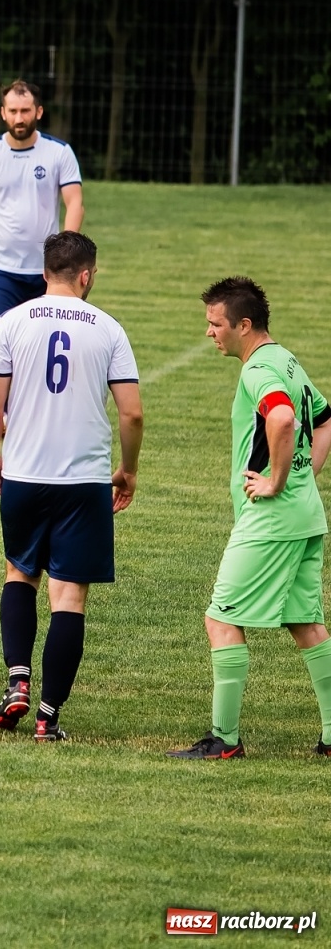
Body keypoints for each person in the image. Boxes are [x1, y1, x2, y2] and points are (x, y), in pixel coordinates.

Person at [0, 231, 142, 741]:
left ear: (44, 271)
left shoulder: (11, 321)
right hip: (83, 479)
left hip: (25, 474)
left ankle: (18, 682)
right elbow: (132, 412)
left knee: (18, 574)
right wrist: (128, 470)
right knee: (68, 597)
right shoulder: (108, 328)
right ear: (86, 274)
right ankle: (48, 717)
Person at [167, 278, 331, 759]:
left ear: (243, 324)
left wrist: (278, 480)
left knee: (220, 619)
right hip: (305, 515)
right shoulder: (287, 360)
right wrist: (304, 473)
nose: (210, 333)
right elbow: (323, 419)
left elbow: (282, 419)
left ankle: (224, 740)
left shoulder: (258, 370)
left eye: (216, 324)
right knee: (306, 624)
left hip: (272, 519)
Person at [0, 80, 84, 325]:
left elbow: (75, 203)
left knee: (41, 341)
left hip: (47, 269)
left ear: (38, 112)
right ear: (3, 112)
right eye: (13, 111)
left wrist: (64, 256)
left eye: (25, 111)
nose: (19, 118)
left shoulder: (59, 152)